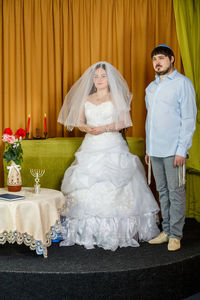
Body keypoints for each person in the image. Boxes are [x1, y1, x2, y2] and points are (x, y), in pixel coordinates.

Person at [58, 61, 159, 251]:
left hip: (112, 144)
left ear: (109, 78)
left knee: (117, 184)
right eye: (96, 76)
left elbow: (124, 122)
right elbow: (79, 122)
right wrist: (86, 128)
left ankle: (119, 231)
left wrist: (104, 128)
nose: (99, 79)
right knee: (85, 184)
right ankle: (85, 231)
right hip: (90, 145)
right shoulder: (87, 99)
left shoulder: (116, 98)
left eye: (103, 76)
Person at [145, 45, 197, 251]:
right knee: (162, 191)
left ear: (171, 59)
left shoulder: (182, 83)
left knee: (176, 192)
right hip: (155, 149)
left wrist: (181, 149)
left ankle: (176, 235)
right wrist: (148, 149)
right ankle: (166, 230)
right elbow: (151, 120)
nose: (157, 62)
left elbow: (188, 118)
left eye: (161, 58)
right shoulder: (151, 88)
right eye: (154, 59)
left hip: (174, 149)